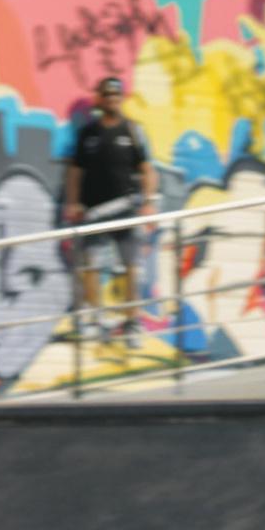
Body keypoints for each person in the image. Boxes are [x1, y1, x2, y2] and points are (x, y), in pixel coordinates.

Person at [61, 75, 159, 341]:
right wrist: (72, 202)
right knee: (90, 266)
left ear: (122, 98)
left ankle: (132, 321)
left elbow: (147, 169)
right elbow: (74, 171)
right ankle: (95, 317)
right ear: (100, 99)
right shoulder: (87, 134)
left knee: (131, 267)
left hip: (126, 209)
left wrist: (148, 202)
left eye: (116, 95)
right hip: (93, 211)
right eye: (107, 95)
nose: (112, 99)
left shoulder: (133, 131)